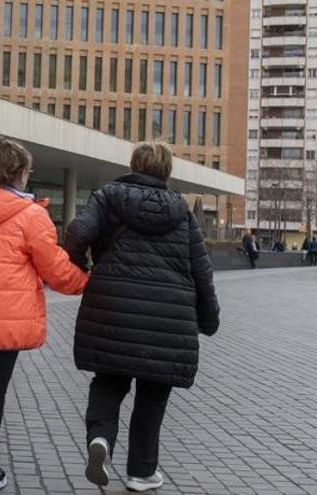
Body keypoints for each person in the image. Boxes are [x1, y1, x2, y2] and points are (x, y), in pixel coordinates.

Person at [64, 142, 220, 492]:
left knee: (108, 381)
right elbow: (202, 272)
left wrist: (80, 267)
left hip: (111, 308)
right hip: (168, 319)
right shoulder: (183, 213)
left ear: (133, 164)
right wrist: (209, 320)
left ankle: (101, 439)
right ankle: (142, 471)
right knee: (153, 393)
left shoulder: (107, 198)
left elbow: (77, 233)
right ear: (167, 172)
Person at [0, 137, 89, 495]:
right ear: (20, 172)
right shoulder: (30, 215)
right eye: (28, 170)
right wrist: (85, 282)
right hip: (5, 318)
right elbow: (54, 268)